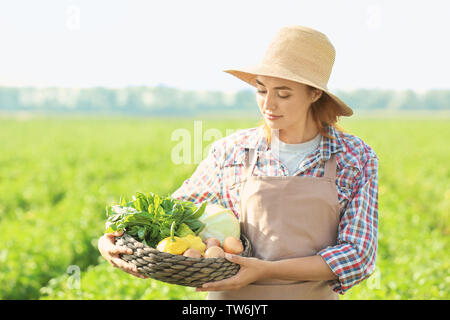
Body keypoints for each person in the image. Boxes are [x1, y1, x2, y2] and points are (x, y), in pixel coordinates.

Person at [98, 25, 379, 300]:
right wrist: (111, 239)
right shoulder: (231, 152)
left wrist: (264, 271)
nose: (269, 104)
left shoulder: (354, 158)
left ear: (314, 94)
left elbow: (357, 255)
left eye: (283, 93)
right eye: (261, 90)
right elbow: (173, 215)